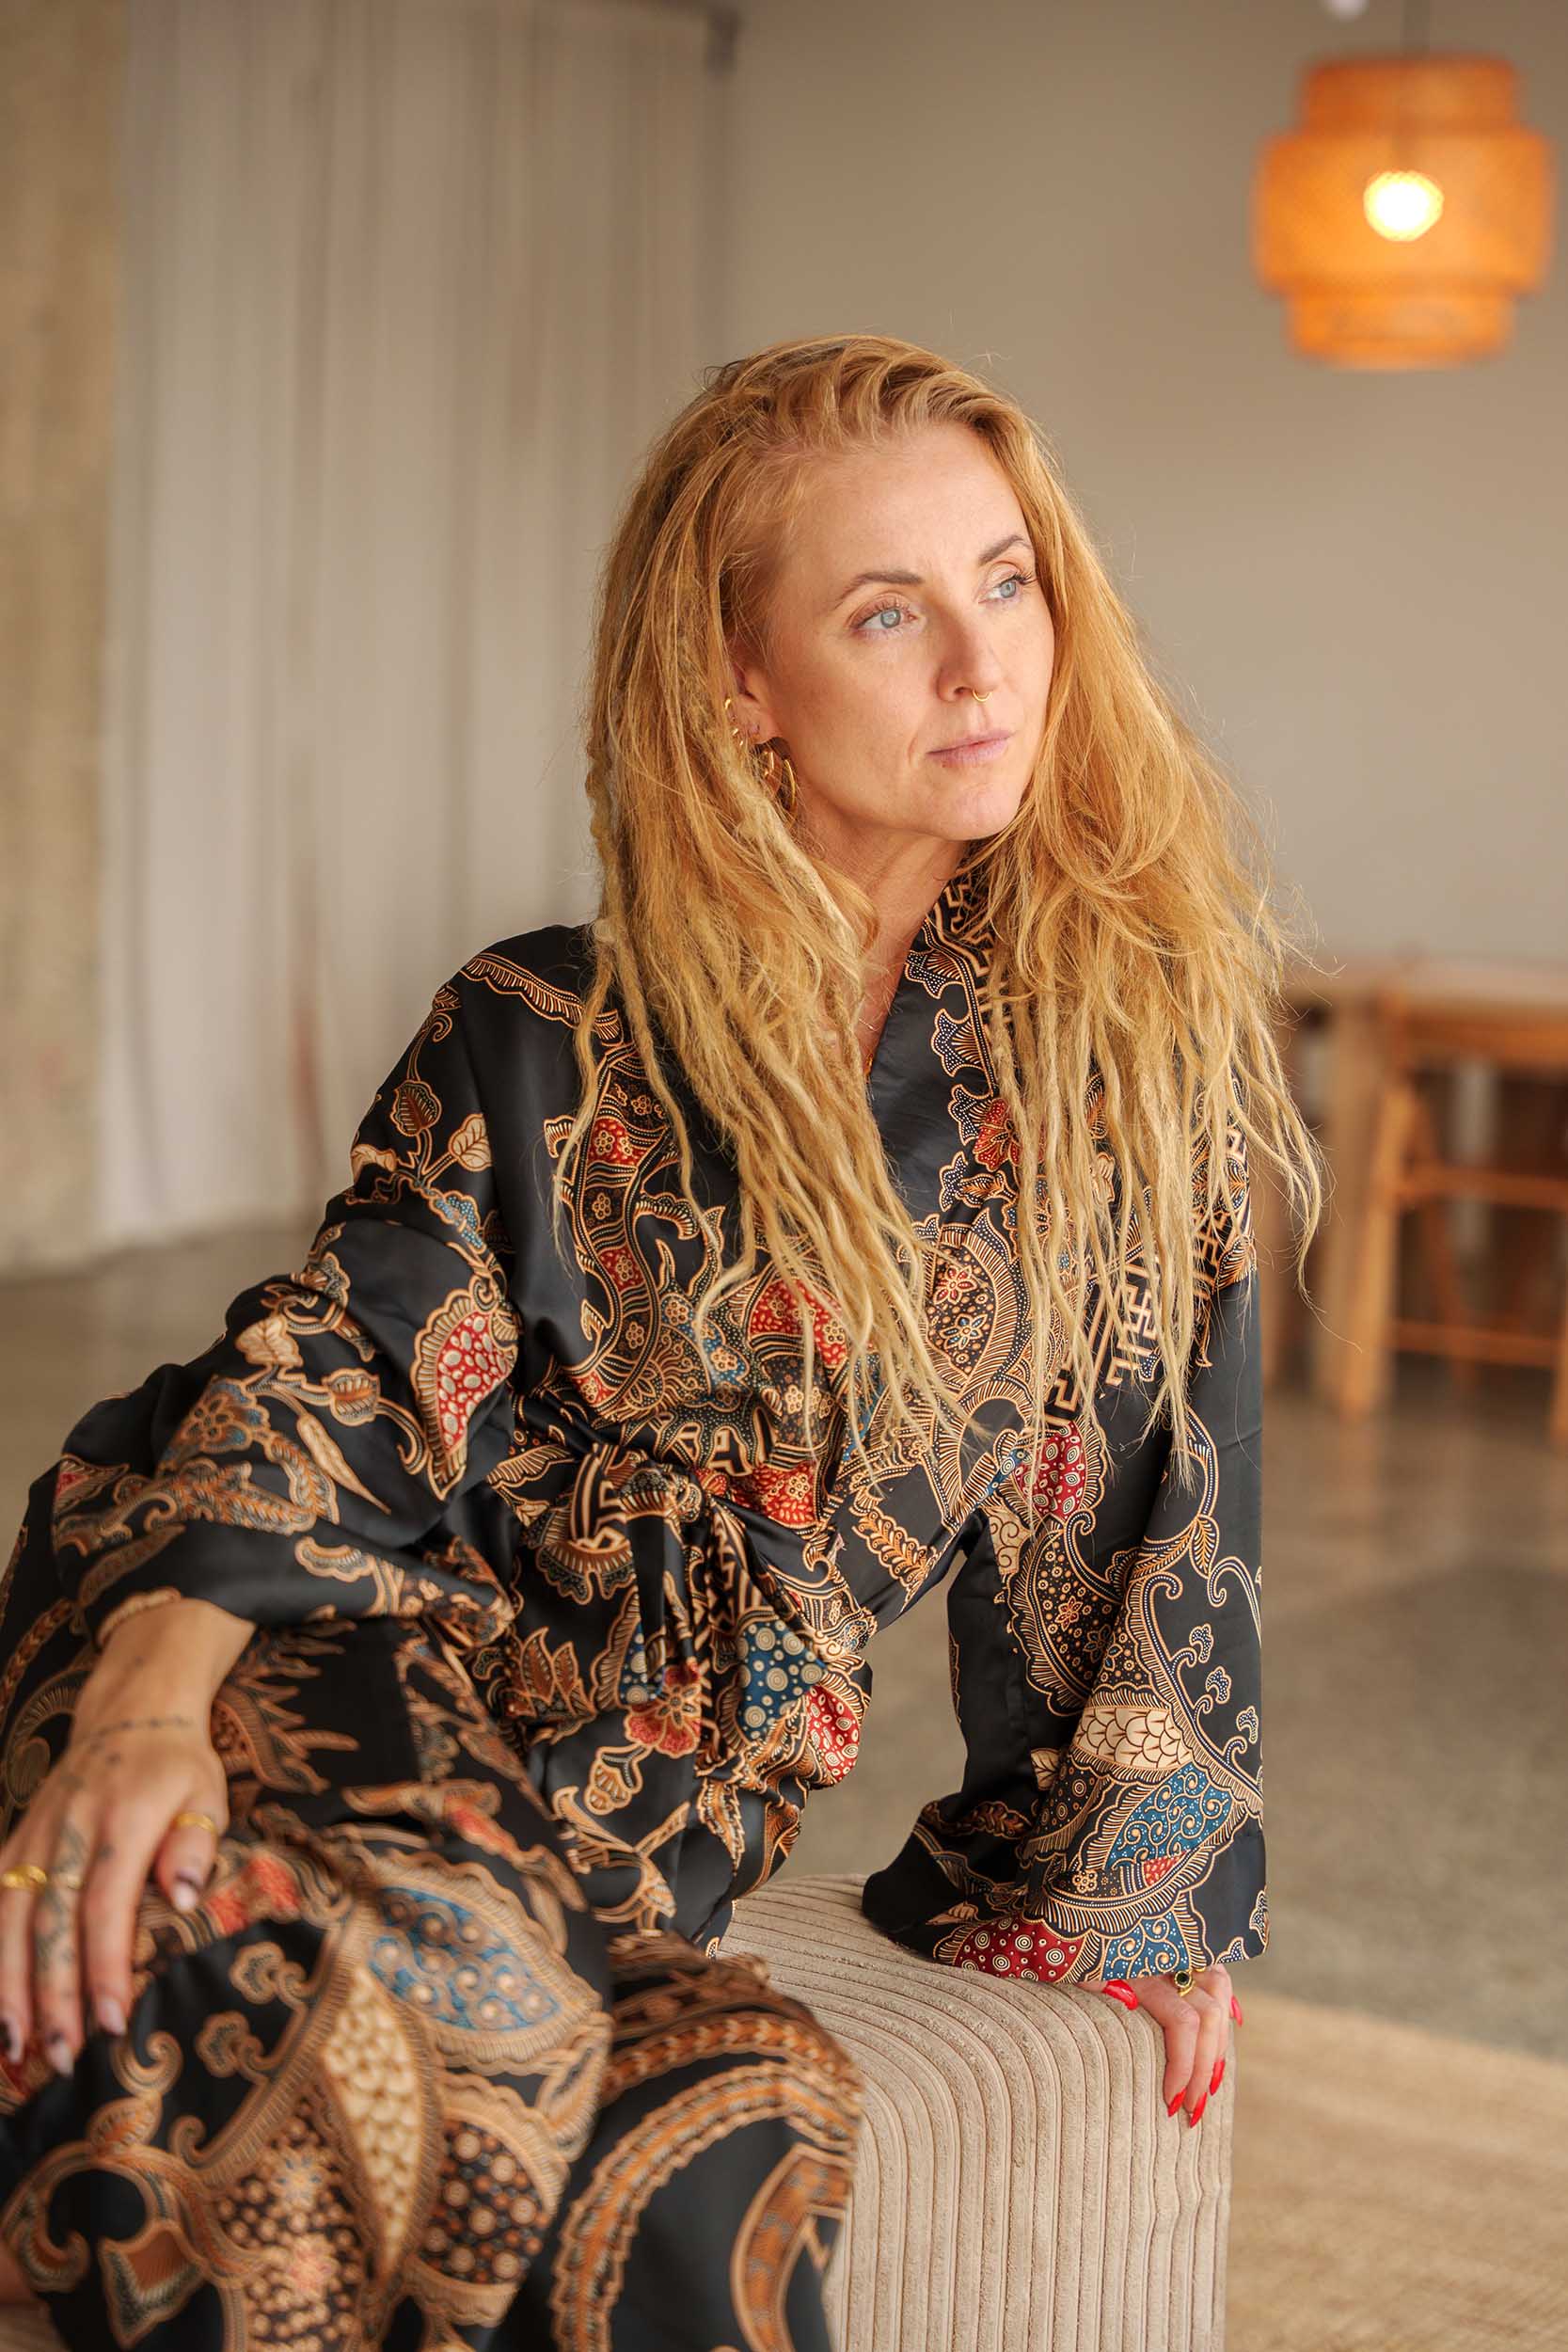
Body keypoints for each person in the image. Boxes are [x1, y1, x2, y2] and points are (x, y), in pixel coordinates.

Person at [0, 331, 1323, 2347]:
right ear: (741, 687)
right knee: (363, 1962)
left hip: (617, 1825)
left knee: (728, 2110)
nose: (985, 666)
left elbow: (1136, 1510)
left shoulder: (1115, 1087)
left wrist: (1123, 1893)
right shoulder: (542, 1024)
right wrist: (150, 1687)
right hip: (302, 1643)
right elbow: (346, 1361)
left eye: (1006, 579)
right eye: (890, 611)